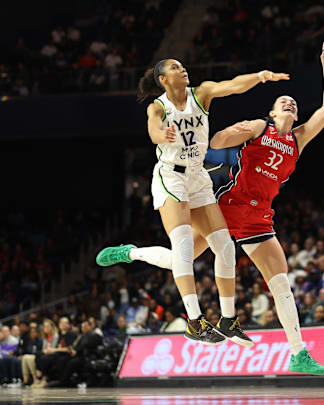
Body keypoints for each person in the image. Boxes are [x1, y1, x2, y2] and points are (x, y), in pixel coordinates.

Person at [100, 41, 324, 375]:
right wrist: (232, 132)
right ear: (272, 112)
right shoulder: (260, 127)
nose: (290, 102)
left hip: (259, 216)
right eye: (283, 101)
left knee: (281, 283)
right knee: (179, 259)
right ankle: (133, 254)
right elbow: (216, 141)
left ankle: (298, 353)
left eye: (294, 103)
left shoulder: (298, 139)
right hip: (229, 206)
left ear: (296, 114)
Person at [97, 58, 289, 346]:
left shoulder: (202, 93)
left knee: (224, 247)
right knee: (184, 249)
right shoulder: (158, 106)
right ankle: (194, 322)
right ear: (163, 79)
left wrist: (260, 76)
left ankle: (227, 320)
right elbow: (153, 130)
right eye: (174, 67)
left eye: (182, 65)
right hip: (171, 179)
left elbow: (233, 86)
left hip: (198, 178)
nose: (182, 69)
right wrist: (162, 134)